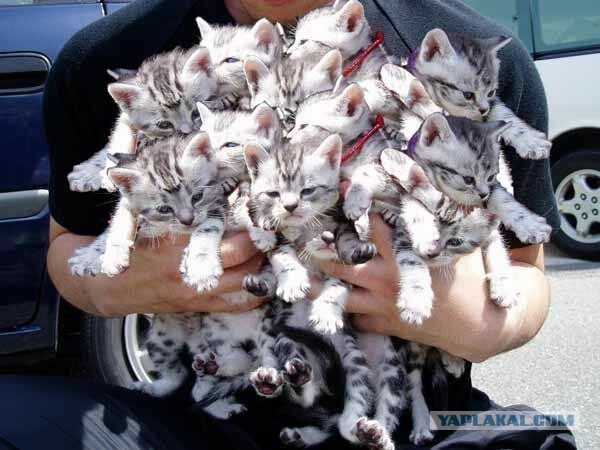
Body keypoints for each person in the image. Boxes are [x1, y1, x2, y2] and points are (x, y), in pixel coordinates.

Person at [0, 0, 575, 449]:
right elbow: (66, 246)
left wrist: (475, 320)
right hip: (189, 423)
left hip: (415, 425)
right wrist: (122, 284)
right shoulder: (104, 57)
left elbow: (528, 273)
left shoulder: (467, 54)